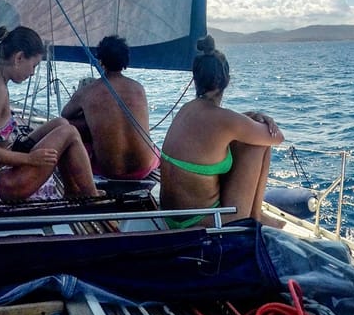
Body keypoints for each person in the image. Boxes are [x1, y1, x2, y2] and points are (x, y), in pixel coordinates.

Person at [159, 35, 285, 229]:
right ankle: (255, 216)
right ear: (227, 80)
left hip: (172, 217)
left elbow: (219, 128)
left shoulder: (187, 109)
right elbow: (277, 138)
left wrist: (251, 116)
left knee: (249, 134)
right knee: (259, 145)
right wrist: (264, 119)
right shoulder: (224, 120)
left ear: (196, 79)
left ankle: (257, 214)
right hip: (200, 223)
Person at [0, 25, 99, 201]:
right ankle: (92, 197)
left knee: (61, 123)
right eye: (33, 65)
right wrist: (30, 159)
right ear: (19, 58)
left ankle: (72, 191)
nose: (33, 73)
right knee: (70, 133)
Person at [60, 35, 158, 180]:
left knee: (72, 130)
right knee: (154, 149)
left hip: (110, 171)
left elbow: (65, 115)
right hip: (143, 168)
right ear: (126, 60)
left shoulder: (87, 92)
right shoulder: (138, 88)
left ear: (100, 61)